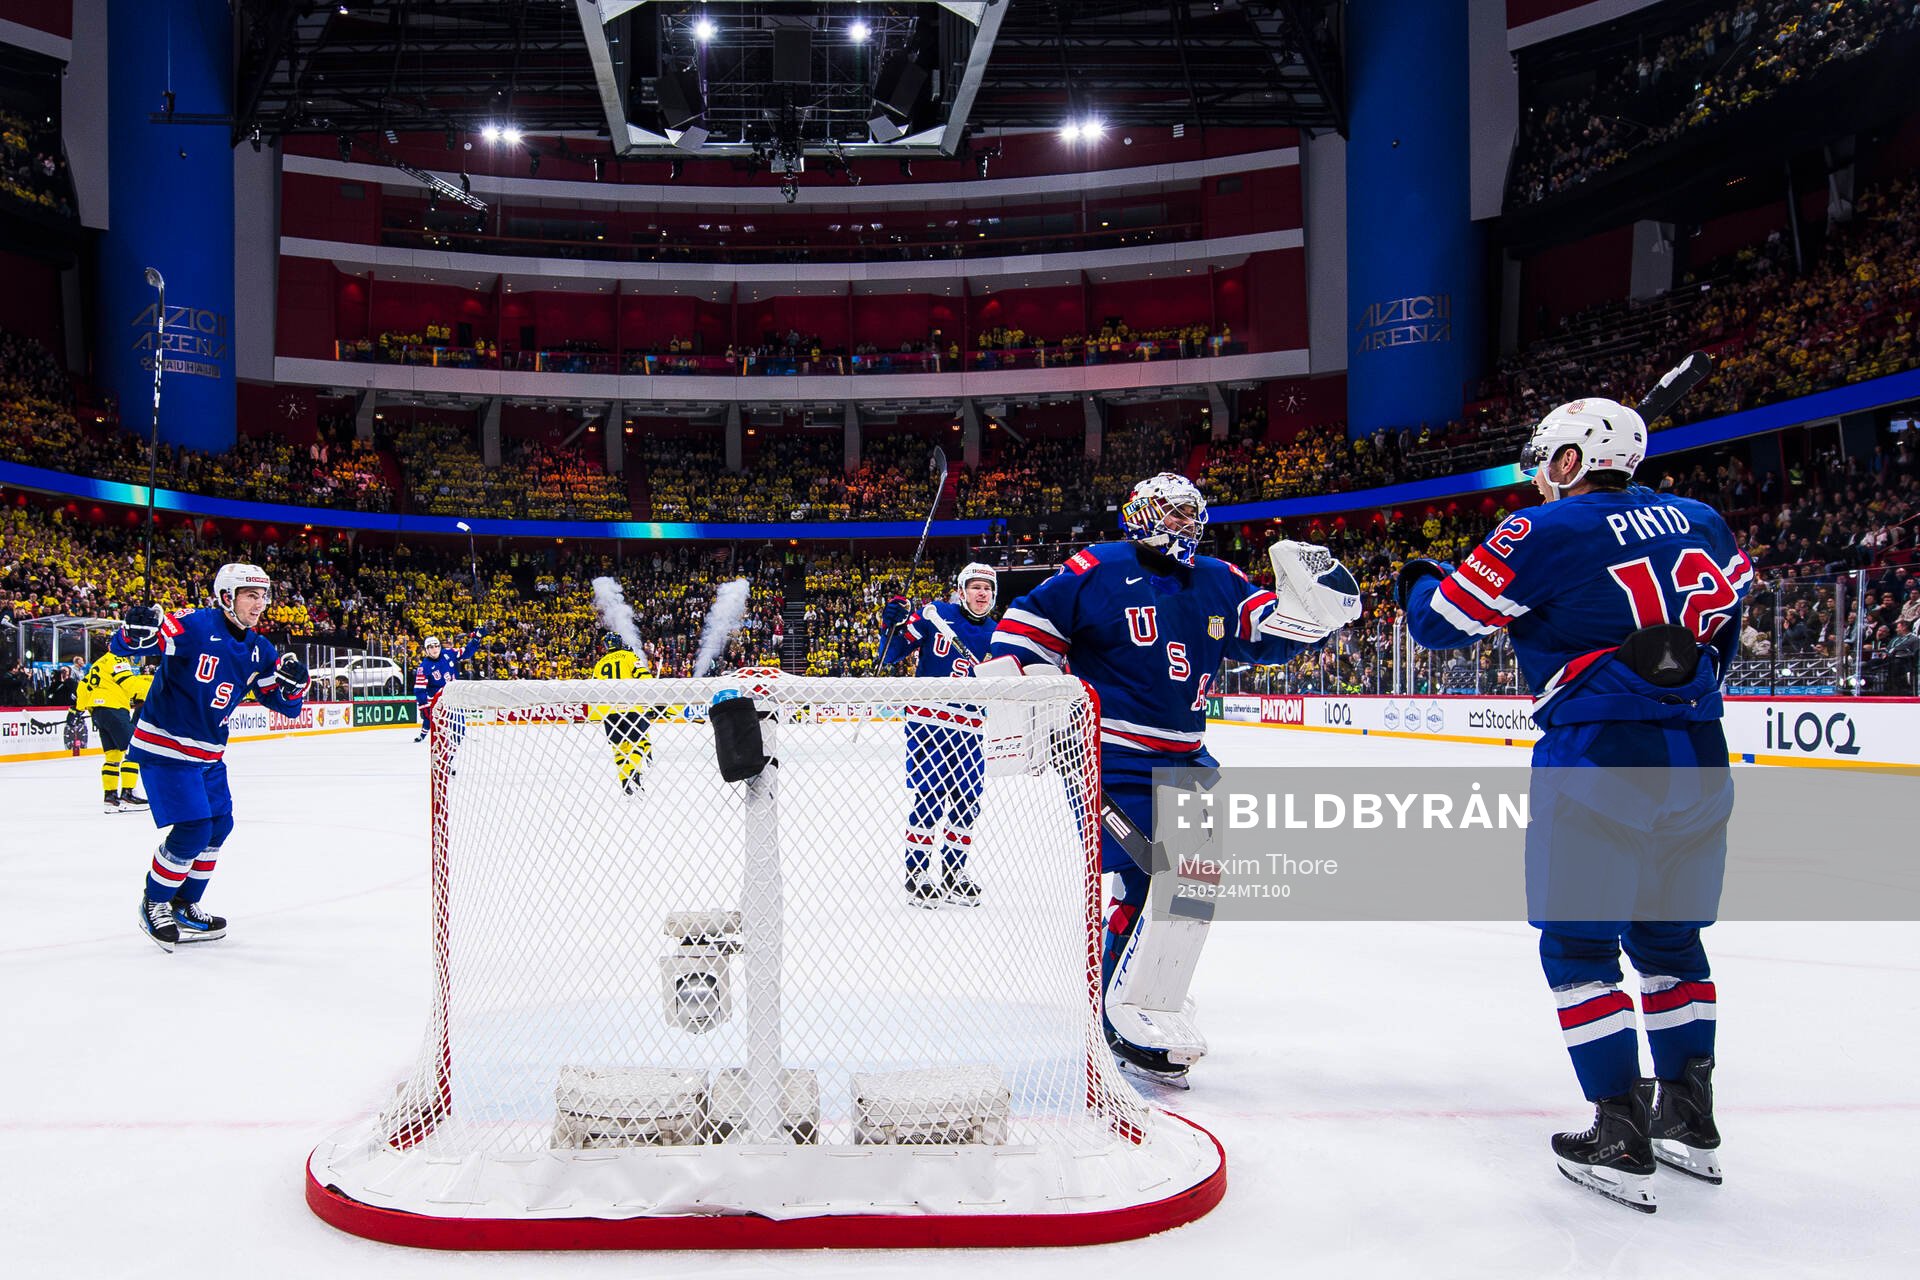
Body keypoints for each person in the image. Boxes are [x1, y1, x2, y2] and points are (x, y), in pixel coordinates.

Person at [1397, 397, 1750, 1214]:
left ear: (1569, 460)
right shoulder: (1705, 519)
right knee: (1673, 942)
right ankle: (1689, 1118)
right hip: (1698, 751)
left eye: (1545, 458)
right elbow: (1724, 630)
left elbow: (1442, 626)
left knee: (1579, 947)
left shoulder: (1542, 530)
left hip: (1599, 754)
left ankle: (1620, 1133)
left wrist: (1417, 576)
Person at [977, 473, 1357, 1085]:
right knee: (1144, 875)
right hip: (1109, 758)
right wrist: (1014, 689)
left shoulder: (1219, 578)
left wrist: (1318, 610)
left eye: (1190, 512)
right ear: (1140, 513)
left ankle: (1152, 992)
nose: (1182, 522)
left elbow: (1272, 637)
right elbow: (1022, 632)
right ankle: (1116, 1009)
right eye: (1171, 511)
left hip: (1188, 756)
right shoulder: (1095, 566)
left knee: (1194, 886)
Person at [114, 565, 309, 952]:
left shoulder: (260, 648)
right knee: (194, 830)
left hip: (208, 754)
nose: (260, 604)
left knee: (219, 826)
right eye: (251, 595)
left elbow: (284, 704)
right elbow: (131, 646)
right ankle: (154, 902)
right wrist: (134, 630)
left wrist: (295, 685)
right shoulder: (193, 624)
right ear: (226, 597)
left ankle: (184, 904)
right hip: (166, 746)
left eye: (263, 596)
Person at [878, 562, 1000, 907]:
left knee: (966, 803)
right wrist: (892, 623)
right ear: (961, 591)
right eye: (975, 587)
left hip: (971, 727)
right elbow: (889, 655)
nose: (982, 593)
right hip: (929, 721)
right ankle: (917, 873)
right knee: (930, 799)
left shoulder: (997, 632)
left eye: (988, 589)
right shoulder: (936, 615)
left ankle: (952, 872)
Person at [75, 646, 152, 813]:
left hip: (98, 712)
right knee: (133, 750)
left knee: (113, 755)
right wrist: (153, 687)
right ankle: (128, 794)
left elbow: (83, 687)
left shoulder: (98, 663)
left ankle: (110, 798)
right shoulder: (118, 659)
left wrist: (79, 708)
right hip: (114, 708)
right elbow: (129, 684)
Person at [589, 632, 654, 794]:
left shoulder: (599, 664)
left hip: (610, 711)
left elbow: (593, 689)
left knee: (619, 749)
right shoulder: (629, 656)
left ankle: (624, 780)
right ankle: (634, 772)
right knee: (636, 744)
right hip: (631, 707)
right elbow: (644, 677)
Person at [414, 628, 486, 742]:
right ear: (426, 650)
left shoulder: (448, 653)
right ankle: (423, 736)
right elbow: (419, 689)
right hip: (437, 700)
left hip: (453, 697)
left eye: (436, 645)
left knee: (459, 730)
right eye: (431, 647)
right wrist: (424, 706)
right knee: (433, 723)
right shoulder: (424, 667)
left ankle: (456, 744)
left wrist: (476, 639)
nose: (435, 649)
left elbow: (466, 651)